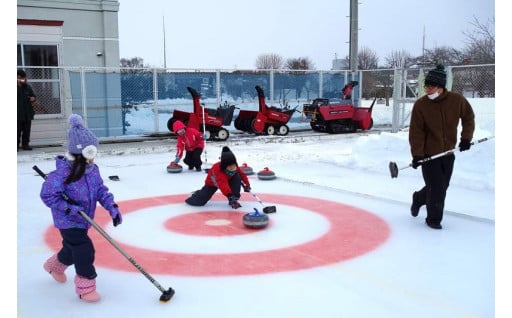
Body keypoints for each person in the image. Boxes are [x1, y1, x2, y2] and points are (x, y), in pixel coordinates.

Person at [40, 114, 123, 302]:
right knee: (84, 249)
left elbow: (101, 190)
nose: (94, 157)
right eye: (91, 152)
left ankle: (54, 266)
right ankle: (85, 288)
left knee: (72, 249)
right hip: (68, 220)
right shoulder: (61, 173)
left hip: (84, 219)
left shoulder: (92, 170)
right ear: (80, 153)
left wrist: (112, 207)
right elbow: (47, 196)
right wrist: (69, 209)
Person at [408, 65, 475, 230]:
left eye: (431, 87)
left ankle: (418, 198)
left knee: (441, 186)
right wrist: (417, 155)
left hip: (448, 153)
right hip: (429, 155)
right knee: (437, 188)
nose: (427, 90)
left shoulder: (457, 101)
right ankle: (434, 219)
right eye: (426, 86)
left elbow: (468, 118)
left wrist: (466, 138)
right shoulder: (421, 105)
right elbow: (416, 132)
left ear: (441, 87)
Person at [185, 146, 251, 208]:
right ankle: (196, 194)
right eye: (229, 167)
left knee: (237, 176)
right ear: (224, 166)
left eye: (233, 166)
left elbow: (242, 175)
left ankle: (234, 198)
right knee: (199, 202)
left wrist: (247, 185)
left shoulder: (235, 166)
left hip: (228, 179)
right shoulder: (217, 169)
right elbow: (222, 184)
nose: (232, 168)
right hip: (213, 184)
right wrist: (229, 195)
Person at [17, 69, 37, 151]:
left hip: (27, 113)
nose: (22, 80)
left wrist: (33, 98)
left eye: (23, 78)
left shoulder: (28, 87)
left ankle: (25, 145)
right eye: (19, 78)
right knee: (16, 131)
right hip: (17, 114)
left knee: (26, 130)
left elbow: (33, 96)